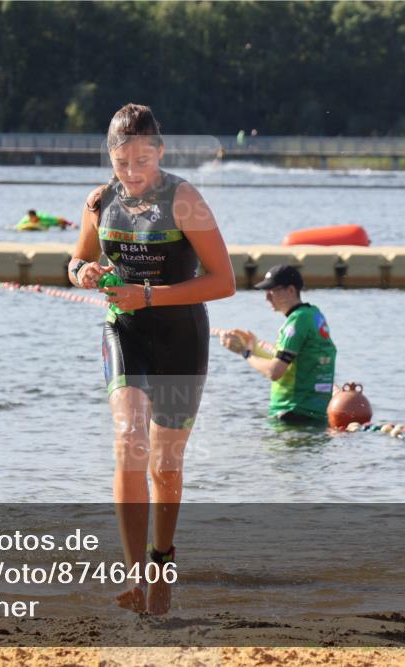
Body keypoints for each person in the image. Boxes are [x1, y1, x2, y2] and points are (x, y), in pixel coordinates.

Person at [68, 104, 235, 615]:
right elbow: (76, 259)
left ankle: (162, 557)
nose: (132, 172)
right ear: (110, 158)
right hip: (125, 331)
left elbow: (224, 282)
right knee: (128, 440)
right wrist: (81, 273)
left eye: (142, 161)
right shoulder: (99, 201)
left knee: (164, 465)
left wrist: (148, 295)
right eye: (122, 162)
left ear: (160, 153)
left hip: (182, 337)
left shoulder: (185, 200)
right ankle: (133, 574)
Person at [220, 264, 336, 426]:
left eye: (272, 290)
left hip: (292, 414)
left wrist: (245, 353)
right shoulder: (314, 315)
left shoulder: (297, 321)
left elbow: (274, 371)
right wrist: (254, 348)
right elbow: (292, 363)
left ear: (291, 290)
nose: (267, 297)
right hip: (315, 414)